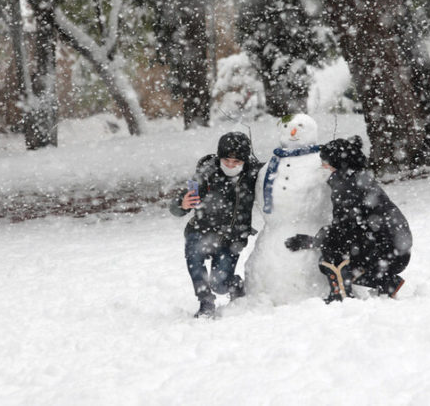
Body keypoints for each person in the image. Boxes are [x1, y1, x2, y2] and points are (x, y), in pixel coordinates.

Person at [284, 136, 412, 303]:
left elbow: (342, 230)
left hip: (387, 251)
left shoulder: (345, 186)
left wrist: (311, 242)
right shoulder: (359, 178)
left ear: (336, 163)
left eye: (325, 162)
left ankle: (340, 295)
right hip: (398, 251)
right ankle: (387, 283)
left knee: (332, 249)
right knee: (342, 245)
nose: (322, 166)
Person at [170, 132, 262, 318]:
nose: (230, 165)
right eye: (226, 160)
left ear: (244, 160)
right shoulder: (206, 173)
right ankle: (205, 302)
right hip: (201, 230)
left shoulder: (253, 174)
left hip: (232, 238)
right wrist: (181, 204)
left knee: (219, 283)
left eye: (236, 162)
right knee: (194, 256)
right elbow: (179, 203)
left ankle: (235, 286)